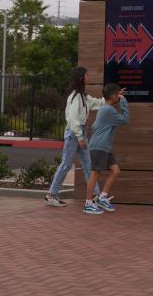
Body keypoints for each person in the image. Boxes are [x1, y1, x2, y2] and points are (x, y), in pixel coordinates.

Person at [45, 67, 101, 207]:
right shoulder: (76, 97)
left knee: (88, 165)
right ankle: (51, 195)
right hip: (74, 133)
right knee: (66, 164)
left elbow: (96, 103)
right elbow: (72, 119)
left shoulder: (83, 96)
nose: (89, 77)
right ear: (82, 78)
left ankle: (96, 196)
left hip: (79, 132)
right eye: (87, 74)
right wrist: (80, 137)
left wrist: (114, 97)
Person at [83, 83, 129, 215]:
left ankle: (102, 197)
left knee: (115, 171)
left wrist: (119, 97)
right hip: (99, 147)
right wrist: (123, 101)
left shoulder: (105, 108)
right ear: (114, 96)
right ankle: (88, 203)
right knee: (95, 174)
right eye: (118, 95)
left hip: (104, 147)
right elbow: (125, 119)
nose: (119, 97)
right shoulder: (108, 110)